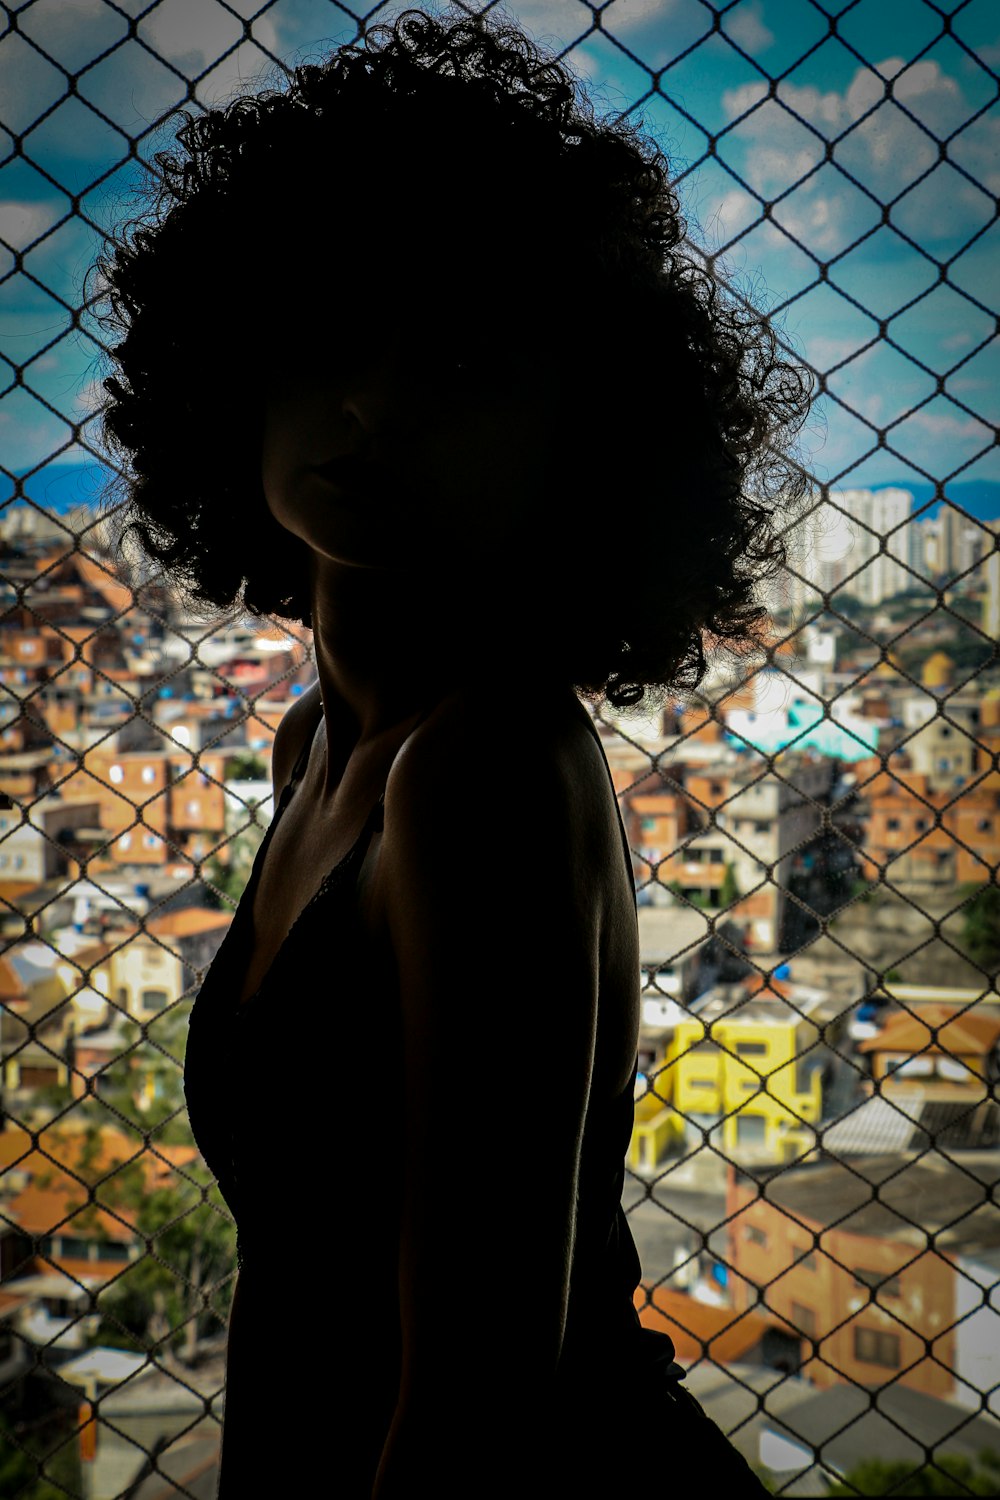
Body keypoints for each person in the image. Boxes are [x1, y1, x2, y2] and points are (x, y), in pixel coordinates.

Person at [97, 8, 809, 1494]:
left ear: (582, 444)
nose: (378, 402)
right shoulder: (320, 747)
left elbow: (479, 1406)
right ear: (239, 356)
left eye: (469, 367)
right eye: (337, 329)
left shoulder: (476, 768)